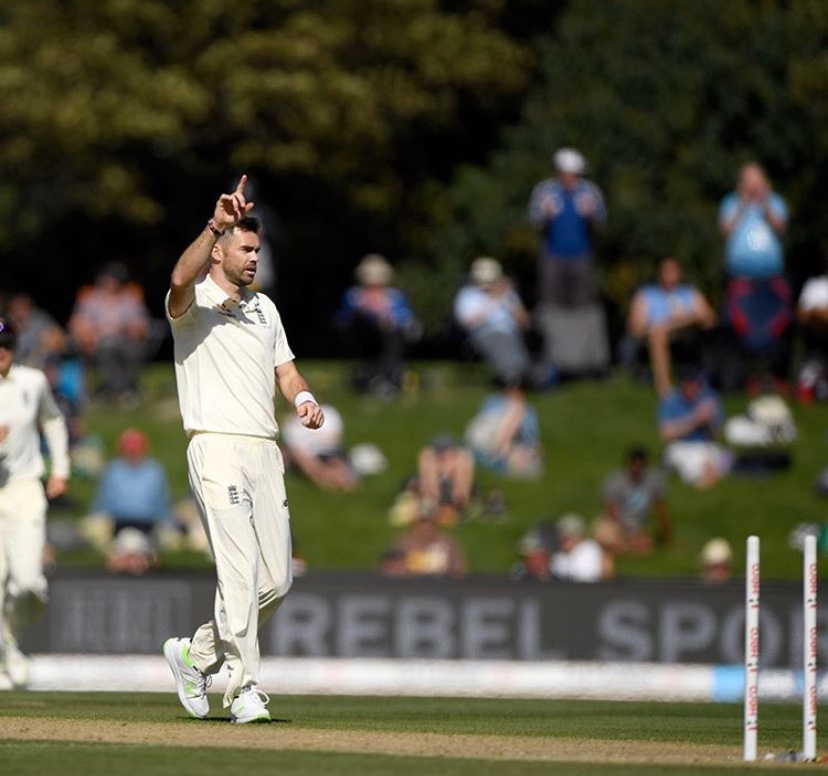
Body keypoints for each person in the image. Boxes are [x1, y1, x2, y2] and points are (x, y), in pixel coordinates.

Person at [162, 176, 325, 724]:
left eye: (257, 249)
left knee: (275, 580)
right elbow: (178, 277)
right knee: (237, 572)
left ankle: (196, 654)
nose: (255, 258)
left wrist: (302, 396)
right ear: (220, 252)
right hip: (215, 447)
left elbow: (285, 368)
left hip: (264, 450)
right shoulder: (194, 304)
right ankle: (244, 689)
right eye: (246, 249)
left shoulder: (265, 309)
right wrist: (213, 223)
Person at [0, 318, 70, 688]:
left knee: (28, 585)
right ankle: (5, 654)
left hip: (25, 490)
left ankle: (9, 640)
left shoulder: (33, 382)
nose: (1, 353)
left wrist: (60, 469)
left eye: (6, 346)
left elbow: (54, 422)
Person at [718, 162, 793, 392]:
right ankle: (739, 378)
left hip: (770, 279)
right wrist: (743, 203)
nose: (752, 185)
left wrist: (765, 201)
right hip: (740, 279)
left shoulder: (775, 202)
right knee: (736, 327)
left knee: (777, 326)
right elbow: (725, 230)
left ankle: (775, 376)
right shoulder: (731, 202)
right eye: (748, 180)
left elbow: (781, 228)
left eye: (756, 180)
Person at [623, 258, 716, 396]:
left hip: (686, 332)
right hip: (656, 333)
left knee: (662, 330)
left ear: (680, 273)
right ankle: (665, 390)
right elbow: (635, 327)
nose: (670, 275)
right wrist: (657, 326)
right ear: (660, 273)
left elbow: (709, 319)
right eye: (666, 271)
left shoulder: (690, 293)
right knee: (658, 332)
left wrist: (683, 320)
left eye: (674, 271)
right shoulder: (647, 295)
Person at [528, 147, 607, 307]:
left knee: (582, 301)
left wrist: (590, 216)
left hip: (582, 254)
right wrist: (546, 216)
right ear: (559, 172)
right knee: (550, 301)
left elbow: (600, 225)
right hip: (552, 254)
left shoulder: (590, 191)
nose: (571, 178)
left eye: (575, 174)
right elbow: (535, 223)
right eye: (567, 174)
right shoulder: (545, 191)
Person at [454, 257, 549, 389]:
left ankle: (523, 375)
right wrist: (492, 300)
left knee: (518, 343)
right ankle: (516, 374)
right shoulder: (468, 295)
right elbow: (469, 322)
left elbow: (525, 322)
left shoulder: (508, 294)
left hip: (512, 333)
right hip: (486, 332)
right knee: (502, 342)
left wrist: (511, 302)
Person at [335, 253, 421, 399]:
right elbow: (343, 320)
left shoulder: (395, 297)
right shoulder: (355, 297)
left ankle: (389, 377)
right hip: (364, 340)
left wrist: (389, 319)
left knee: (393, 335)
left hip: (392, 339)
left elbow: (408, 321)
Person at [86, 428, 172, 570]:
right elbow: (101, 500)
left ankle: (139, 554)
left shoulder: (154, 470)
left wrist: (165, 522)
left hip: (147, 523)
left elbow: (162, 503)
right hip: (115, 522)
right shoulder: (113, 470)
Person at [68, 262, 151, 402]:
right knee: (107, 347)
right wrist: (88, 333)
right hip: (98, 342)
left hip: (126, 340)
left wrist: (126, 327)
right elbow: (76, 323)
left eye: (115, 280)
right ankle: (121, 391)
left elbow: (142, 324)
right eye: (108, 279)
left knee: (127, 349)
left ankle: (119, 390)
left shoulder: (130, 299)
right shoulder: (90, 300)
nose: (111, 283)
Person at [658, 367, 731, 489]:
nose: (693, 388)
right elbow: (666, 435)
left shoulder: (710, 397)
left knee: (724, 456)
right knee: (689, 458)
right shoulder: (670, 400)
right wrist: (695, 420)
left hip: (705, 444)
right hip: (681, 445)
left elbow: (717, 435)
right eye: (689, 385)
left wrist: (708, 421)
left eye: (696, 384)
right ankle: (704, 476)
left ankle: (709, 473)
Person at [593, 447, 671, 556]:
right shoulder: (616, 481)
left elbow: (660, 509)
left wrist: (667, 536)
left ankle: (623, 548)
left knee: (646, 545)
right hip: (615, 523)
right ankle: (623, 547)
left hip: (637, 526)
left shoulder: (652, 481)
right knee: (606, 536)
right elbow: (610, 509)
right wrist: (627, 530)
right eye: (634, 464)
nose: (637, 468)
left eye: (641, 465)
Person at [389, 433, 476, 528]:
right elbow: (429, 484)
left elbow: (462, 489)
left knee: (448, 504)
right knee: (414, 484)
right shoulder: (428, 457)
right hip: (435, 490)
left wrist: (458, 501)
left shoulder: (461, 459)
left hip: (449, 490)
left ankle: (443, 510)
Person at [464, 386, 543, 478]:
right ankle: (501, 456)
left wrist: (531, 450)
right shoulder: (499, 402)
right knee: (516, 410)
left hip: (488, 440)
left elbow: (530, 438)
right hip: (488, 437)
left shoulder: (527, 410)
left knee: (527, 458)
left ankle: (507, 458)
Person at [280, 404, 358, 492]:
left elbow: (336, 438)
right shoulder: (291, 423)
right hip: (307, 454)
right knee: (302, 457)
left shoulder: (327, 412)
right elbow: (293, 446)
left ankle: (334, 478)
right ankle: (325, 478)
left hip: (329, 450)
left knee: (335, 461)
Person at [380, 511, 468, 578]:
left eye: (430, 524)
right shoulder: (404, 542)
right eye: (421, 524)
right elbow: (387, 568)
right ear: (415, 525)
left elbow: (460, 569)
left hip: (441, 587)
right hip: (410, 587)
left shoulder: (447, 542)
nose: (426, 528)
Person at [796, 262, 828, 402]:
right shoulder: (814, 285)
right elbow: (802, 315)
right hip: (815, 336)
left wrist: (817, 312)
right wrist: (821, 315)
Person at [550, 513, 613, 583]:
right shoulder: (559, 555)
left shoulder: (588, 551)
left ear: (579, 536)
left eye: (569, 536)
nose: (564, 539)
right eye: (562, 535)